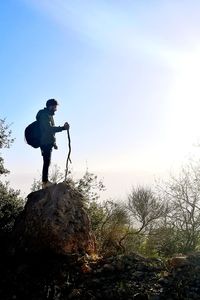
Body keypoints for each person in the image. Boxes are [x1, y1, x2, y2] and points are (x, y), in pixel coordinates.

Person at [36, 99, 69, 189]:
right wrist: (62, 128)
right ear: (50, 106)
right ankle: (45, 182)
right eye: (55, 107)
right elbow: (48, 129)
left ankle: (45, 182)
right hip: (44, 142)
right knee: (46, 161)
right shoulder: (44, 115)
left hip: (48, 142)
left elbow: (50, 132)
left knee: (47, 161)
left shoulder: (49, 115)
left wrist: (54, 143)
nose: (56, 109)